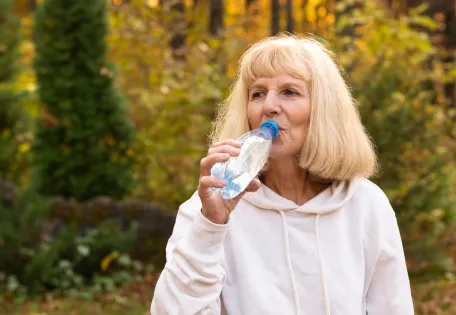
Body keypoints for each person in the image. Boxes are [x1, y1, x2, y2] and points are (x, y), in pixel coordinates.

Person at [150, 34, 414, 315]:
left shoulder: (365, 204)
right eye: (258, 93)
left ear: (322, 110)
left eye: (289, 92)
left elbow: (393, 308)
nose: (269, 106)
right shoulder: (211, 207)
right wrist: (211, 226)